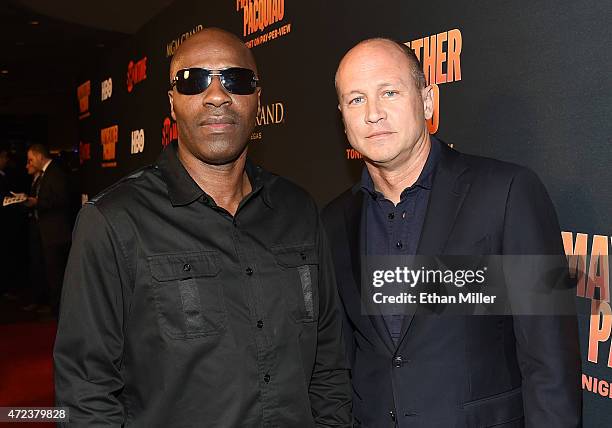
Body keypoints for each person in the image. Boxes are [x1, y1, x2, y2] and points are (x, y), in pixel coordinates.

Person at [54, 28, 351, 427]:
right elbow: (85, 393)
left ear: (258, 99)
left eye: (236, 80)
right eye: (194, 81)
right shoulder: (113, 221)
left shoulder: (298, 210)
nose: (217, 96)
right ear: (173, 103)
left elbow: (328, 363)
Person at [322, 38, 581, 427]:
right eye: (356, 100)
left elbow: (551, 363)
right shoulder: (335, 220)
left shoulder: (506, 193)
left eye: (389, 92)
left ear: (427, 101)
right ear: (343, 119)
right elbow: (343, 362)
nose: (373, 113)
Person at [22, 144, 72, 314]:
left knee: (56, 275)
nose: (29, 163)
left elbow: (61, 199)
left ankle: (59, 311)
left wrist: (37, 202)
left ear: (39, 156)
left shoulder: (55, 173)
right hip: (48, 233)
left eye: (30, 159)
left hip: (56, 235)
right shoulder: (45, 174)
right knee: (51, 274)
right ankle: (54, 308)